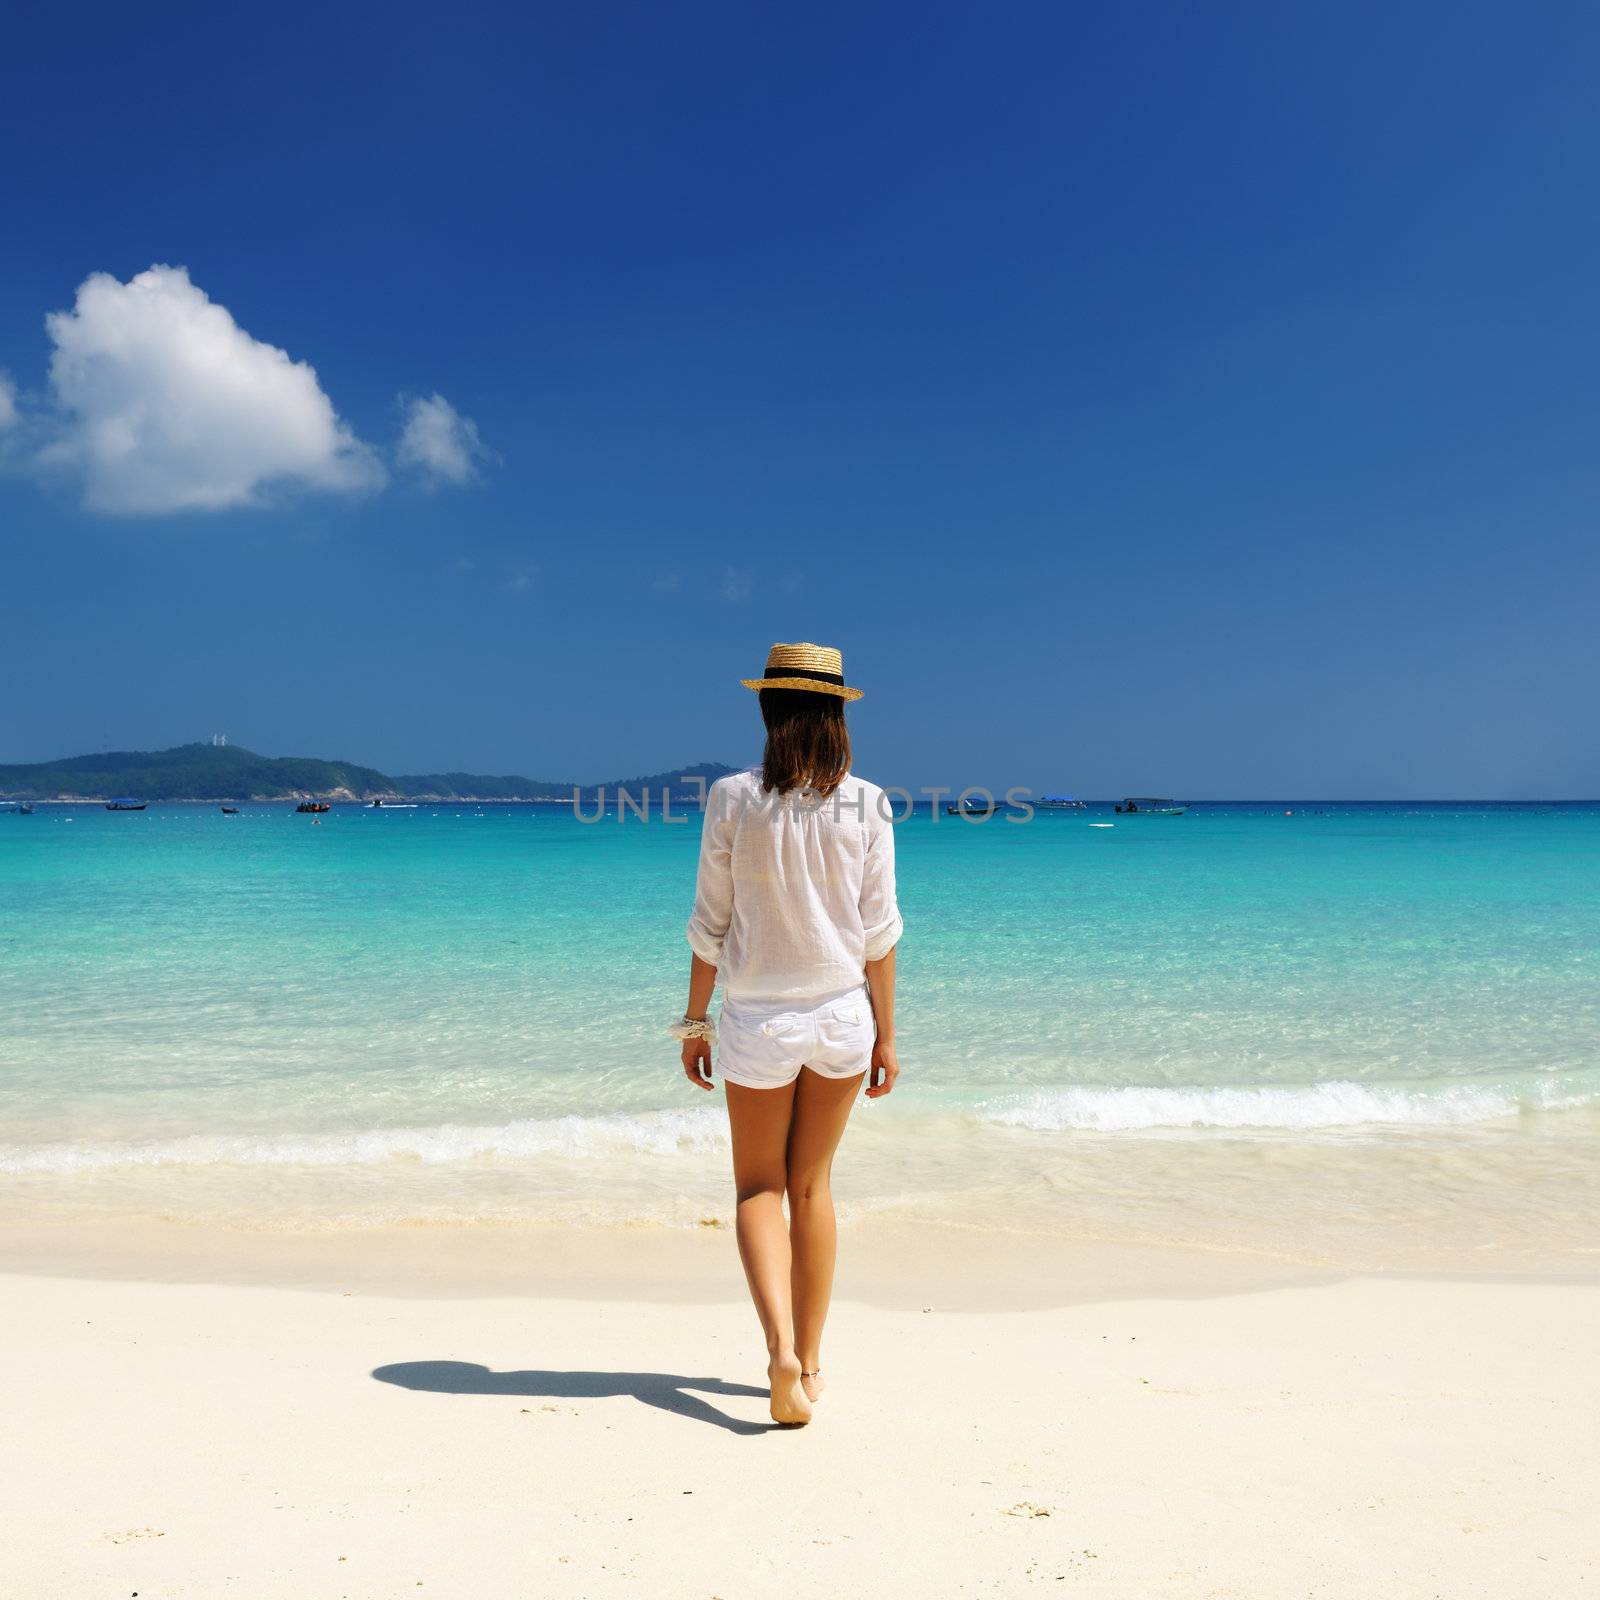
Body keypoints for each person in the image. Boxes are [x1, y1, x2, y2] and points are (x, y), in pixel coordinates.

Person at [675, 642, 903, 1426]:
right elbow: (881, 934)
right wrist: (888, 1037)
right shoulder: (869, 803)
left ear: (769, 709)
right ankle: (810, 1362)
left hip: (758, 1020)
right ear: (838, 712)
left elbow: (711, 924)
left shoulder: (732, 798)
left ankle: (775, 1351)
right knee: (813, 1187)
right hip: (844, 1015)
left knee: (757, 1189)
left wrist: (695, 1022)